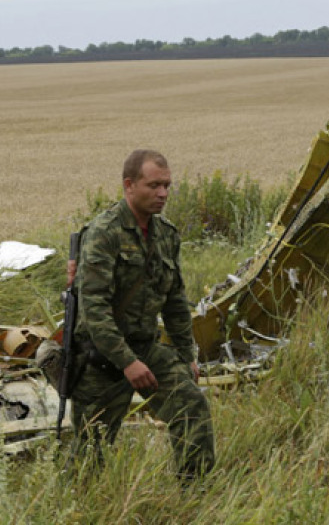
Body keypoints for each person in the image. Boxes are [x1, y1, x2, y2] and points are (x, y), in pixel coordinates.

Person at [70, 149, 215, 479]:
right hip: (101, 357)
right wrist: (127, 363)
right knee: (91, 454)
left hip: (146, 348)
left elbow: (175, 302)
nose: (163, 193)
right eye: (154, 185)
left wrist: (185, 354)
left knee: (192, 406)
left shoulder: (166, 235)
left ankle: (196, 494)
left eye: (167, 185)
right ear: (129, 185)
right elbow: (94, 311)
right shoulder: (103, 233)